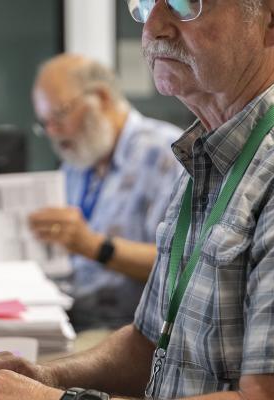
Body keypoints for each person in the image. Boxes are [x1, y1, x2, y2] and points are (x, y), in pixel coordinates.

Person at [0, 0, 274, 399]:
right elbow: (149, 344)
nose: (153, 28)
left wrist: (54, 399)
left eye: (185, 3)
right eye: (145, 2)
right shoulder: (211, 147)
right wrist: (45, 376)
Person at [28, 54, 183, 331]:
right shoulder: (77, 161)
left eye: (59, 115)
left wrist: (94, 246)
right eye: (45, 122)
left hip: (130, 331)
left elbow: (181, 263)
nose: (53, 132)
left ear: (101, 97)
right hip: (71, 316)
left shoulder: (165, 153)